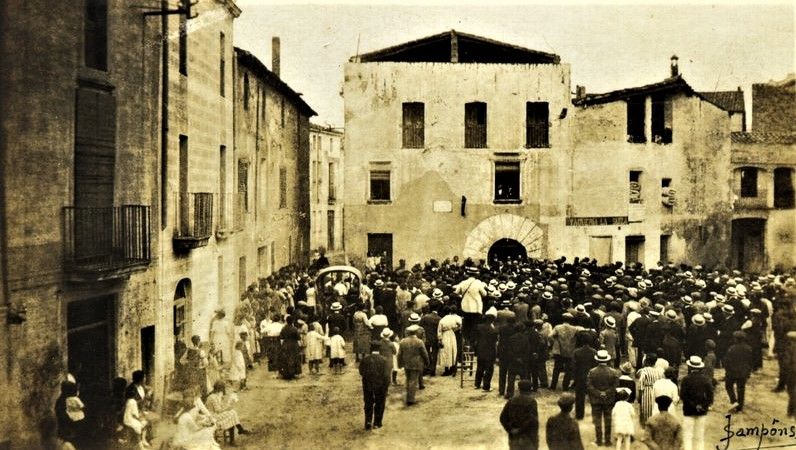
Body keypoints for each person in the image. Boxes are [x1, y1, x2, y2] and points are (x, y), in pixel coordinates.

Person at [680, 356, 714, 450]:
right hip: (702, 411)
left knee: (688, 436)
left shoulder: (686, 380)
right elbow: (710, 396)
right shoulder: (706, 379)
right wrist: (702, 405)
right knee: (699, 437)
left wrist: (694, 405)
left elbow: (683, 396)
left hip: (688, 411)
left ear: (690, 367)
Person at [587, 349, 619, 447]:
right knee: (608, 419)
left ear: (597, 360)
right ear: (607, 360)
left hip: (595, 400)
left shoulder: (592, 372)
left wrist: (598, 393)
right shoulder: (613, 372)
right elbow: (615, 386)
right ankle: (608, 440)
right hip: (609, 399)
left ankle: (599, 440)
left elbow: (589, 386)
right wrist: (606, 393)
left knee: (597, 420)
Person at [499, 380, 539, 450]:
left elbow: (502, 417)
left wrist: (510, 429)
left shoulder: (511, 400)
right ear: (530, 389)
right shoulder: (532, 402)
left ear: (519, 389)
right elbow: (533, 420)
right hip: (527, 436)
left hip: (514, 436)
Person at [359, 344, 390, 430]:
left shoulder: (364, 360)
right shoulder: (384, 360)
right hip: (380, 385)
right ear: (379, 349)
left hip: (367, 384)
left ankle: (368, 422)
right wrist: (386, 386)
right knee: (380, 403)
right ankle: (377, 422)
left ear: (370, 349)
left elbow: (361, 372)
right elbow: (386, 375)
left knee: (368, 402)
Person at [397, 326, 430, 406]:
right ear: (416, 332)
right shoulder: (419, 342)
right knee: (413, 381)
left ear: (408, 332)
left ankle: (409, 395)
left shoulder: (402, 341)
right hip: (416, 363)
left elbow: (399, 354)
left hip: (406, 363)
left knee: (408, 379)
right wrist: (427, 362)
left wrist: (399, 363)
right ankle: (410, 399)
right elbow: (424, 353)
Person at [724, 330, 753, 412]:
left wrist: (727, 370)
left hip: (732, 372)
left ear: (736, 339)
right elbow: (750, 362)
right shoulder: (749, 349)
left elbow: (727, 361)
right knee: (741, 389)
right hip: (743, 373)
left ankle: (734, 401)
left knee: (728, 386)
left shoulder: (731, 349)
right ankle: (740, 406)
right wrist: (748, 372)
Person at [572, 331, 598, 420]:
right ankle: (595, 414)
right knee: (593, 396)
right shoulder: (594, 352)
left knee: (579, 397)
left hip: (580, 376)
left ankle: (579, 415)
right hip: (591, 376)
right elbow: (595, 365)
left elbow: (574, 366)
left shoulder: (577, 352)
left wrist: (574, 378)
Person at [474, 312, 499, 392]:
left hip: (480, 349)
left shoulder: (479, 327)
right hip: (490, 351)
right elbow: (495, 341)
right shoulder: (494, 330)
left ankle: (477, 384)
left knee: (479, 368)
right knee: (489, 369)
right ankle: (486, 386)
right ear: (492, 320)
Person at [637, 353, 665, 425]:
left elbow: (640, 385)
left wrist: (639, 397)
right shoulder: (658, 371)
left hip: (646, 392)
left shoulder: (644, 371)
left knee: (646, 411)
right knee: (654, 410)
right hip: (656, 392)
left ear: (647, 361)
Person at [438, 306, 462, 376]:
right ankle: (452, 368)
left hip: (445, 335)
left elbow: (439, 331)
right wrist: (455, 329)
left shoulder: (442, 320)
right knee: (452, 350)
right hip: (452, 335)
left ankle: (446, 370)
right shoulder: (453, 319)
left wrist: (439, 339)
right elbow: (459, 325)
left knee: (445, 351)